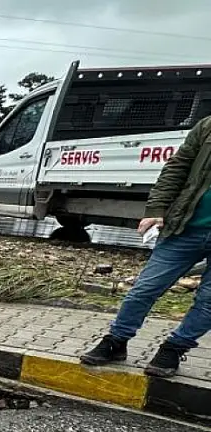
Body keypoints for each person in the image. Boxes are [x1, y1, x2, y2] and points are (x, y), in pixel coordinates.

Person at [81, 116, 211, 377]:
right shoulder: (208, 126)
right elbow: (177, 167)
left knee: (209, 301)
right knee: (145, 288)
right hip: (186, 226)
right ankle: (116, 341)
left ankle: (173, 348)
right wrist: (156, 209)